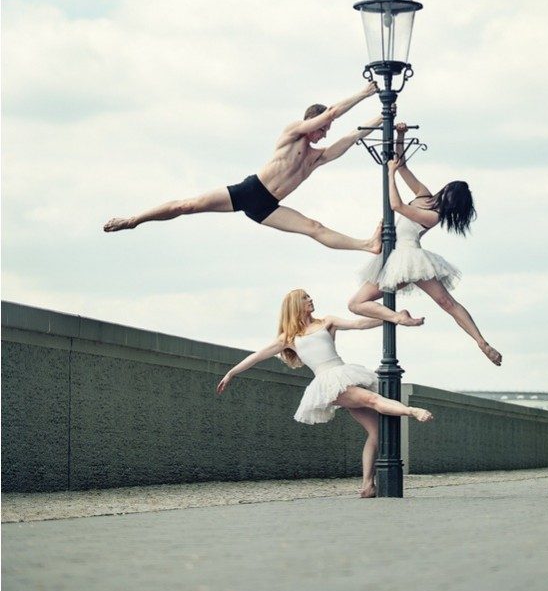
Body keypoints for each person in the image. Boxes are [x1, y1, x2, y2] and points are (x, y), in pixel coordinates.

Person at [104, 82, 382, 253]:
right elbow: (332, 111)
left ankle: (366, 245)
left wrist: (383, 116)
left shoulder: (316, 158)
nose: (324, 134)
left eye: (326, 131)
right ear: (310, 121)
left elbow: (351, 137)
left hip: (268, 206)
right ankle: (133, 220)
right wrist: (365, 93)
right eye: (322, 128)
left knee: (314, 227)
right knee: (187, 206)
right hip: (250, 191)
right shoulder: (292, 134)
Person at [216, 289, 433, 498]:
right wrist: (231, 373)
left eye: (309, 296)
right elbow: (257, 356)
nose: (310, 299)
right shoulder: (289, 337)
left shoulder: (327, 322)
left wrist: (394, 318)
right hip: (328, 382)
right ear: (295, 305)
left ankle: (368, 486)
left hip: (344, 373)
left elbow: (359, 324)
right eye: (305, 297)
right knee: (373, 399)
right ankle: (412, 411)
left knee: (376, 433)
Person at [349, 123, 503, 366]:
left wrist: (389, 174)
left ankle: (480, 342)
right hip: (393, 256)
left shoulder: (434, 216)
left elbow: (397, 206)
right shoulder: (424, 195)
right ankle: (400, 317)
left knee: (445, 302)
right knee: (357, 304)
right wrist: (400, 135)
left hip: (408, 258)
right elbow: (402, 164)